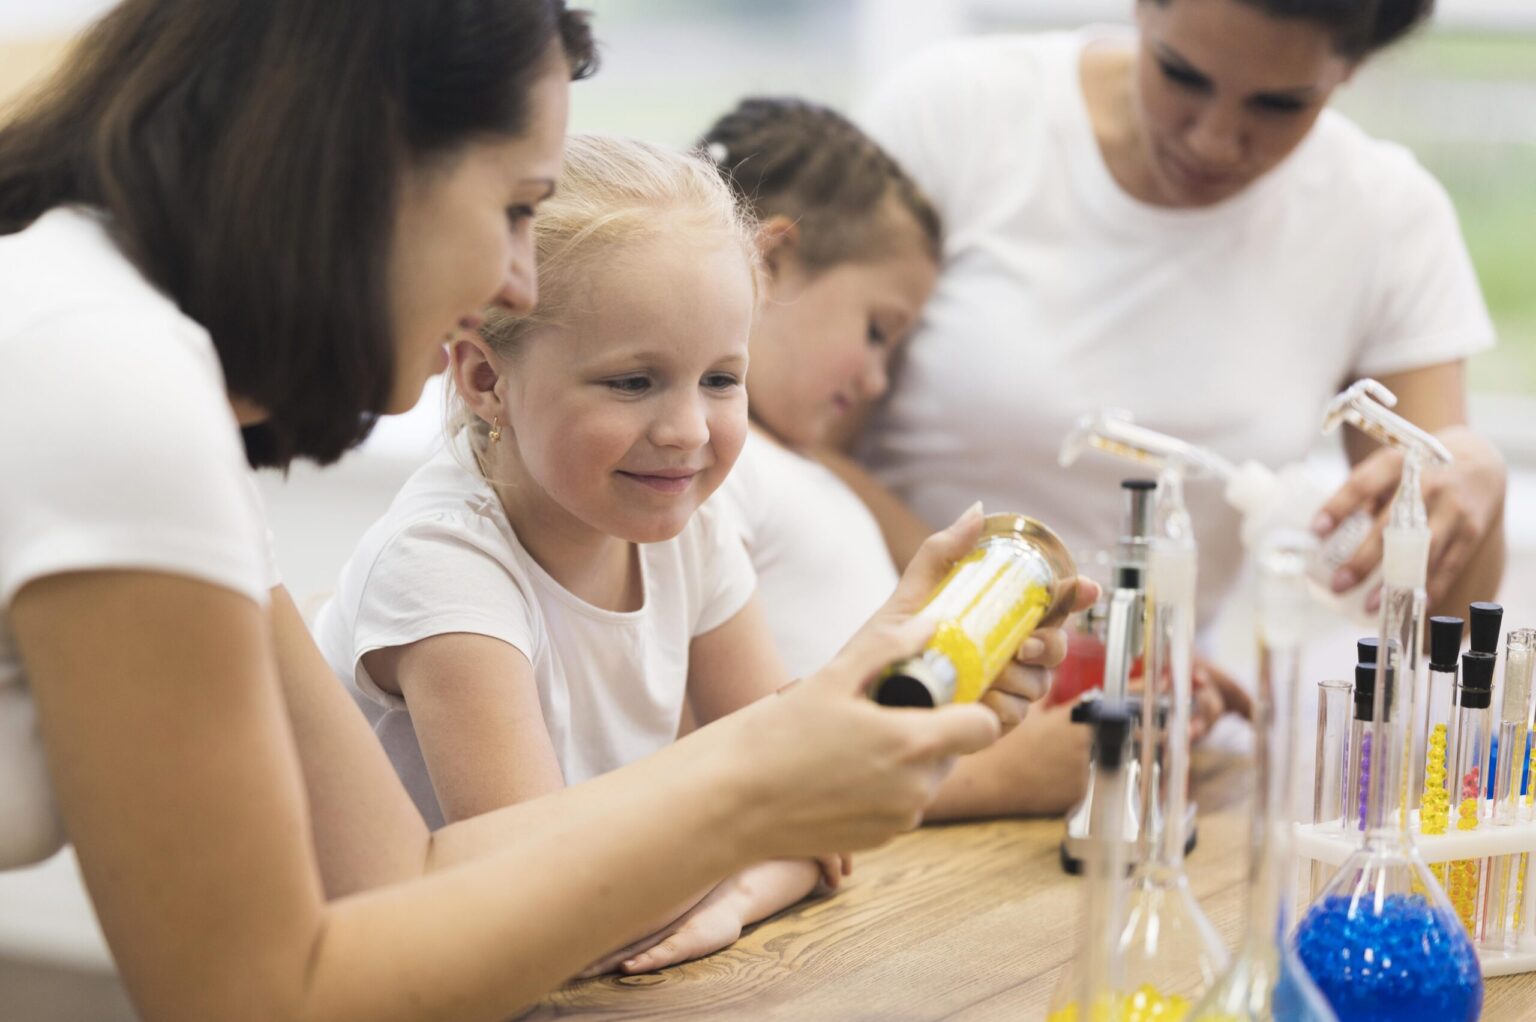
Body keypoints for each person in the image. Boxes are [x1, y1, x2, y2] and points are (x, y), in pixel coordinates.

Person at [0, 4, 1051, 1019]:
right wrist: (757, 781)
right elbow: (264, 995)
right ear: (364, 163)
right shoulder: (114, 382)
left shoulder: (144, 367)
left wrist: (827, 708)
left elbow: (401, 879)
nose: (517, 279)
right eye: (515, 206)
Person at [316, 133, 1100, 975]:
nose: (688, 431)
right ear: (482, 379)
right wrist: (756, 855)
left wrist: (741, 885)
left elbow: (804, 804)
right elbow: (538, 913)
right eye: (632, 381)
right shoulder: (443, 566)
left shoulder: (689, 525)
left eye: (721, 379)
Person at [843, 0, 1507, 677]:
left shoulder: (1386, 216)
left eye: (1279, 104)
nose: (1214, 140)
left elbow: (1434, 628)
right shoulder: (957, 114)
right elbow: (793, 442)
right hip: (896, 668)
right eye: (1182, 76)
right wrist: (1054, 632)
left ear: (1350, 70)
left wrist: (1478, 476)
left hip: (1146, 711)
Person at [701, 96, 1121, 815]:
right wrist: (997, 777)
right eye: (876, 330)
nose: (876, 380)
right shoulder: (704, 467)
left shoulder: (803, 466)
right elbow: (735, 756)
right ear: (768, 262)